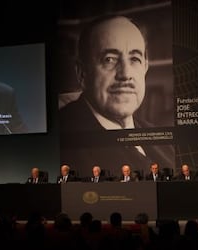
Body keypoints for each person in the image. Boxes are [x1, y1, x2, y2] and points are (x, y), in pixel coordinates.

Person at [59, 14, 175, 177]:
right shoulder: (62, 142)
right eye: (109, 59)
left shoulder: (161, 137)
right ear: (82, 73)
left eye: (135, 59)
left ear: (145, 67)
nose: (126, 74)